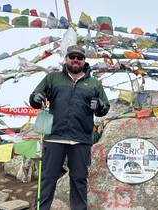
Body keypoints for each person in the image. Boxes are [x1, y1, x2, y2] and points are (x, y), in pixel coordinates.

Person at [30, 45, 110, 210]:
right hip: (54, 137)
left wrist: (100, 105)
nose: (75, 60)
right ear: (66, 59)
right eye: (72, 56)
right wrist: (37, 97)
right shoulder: (53, 78)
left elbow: (105, 107)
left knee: (79, 179)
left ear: (84, 61)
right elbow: (35, 96)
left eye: (79, 57)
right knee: (48, 178)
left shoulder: (94, 83)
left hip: (80, 139)